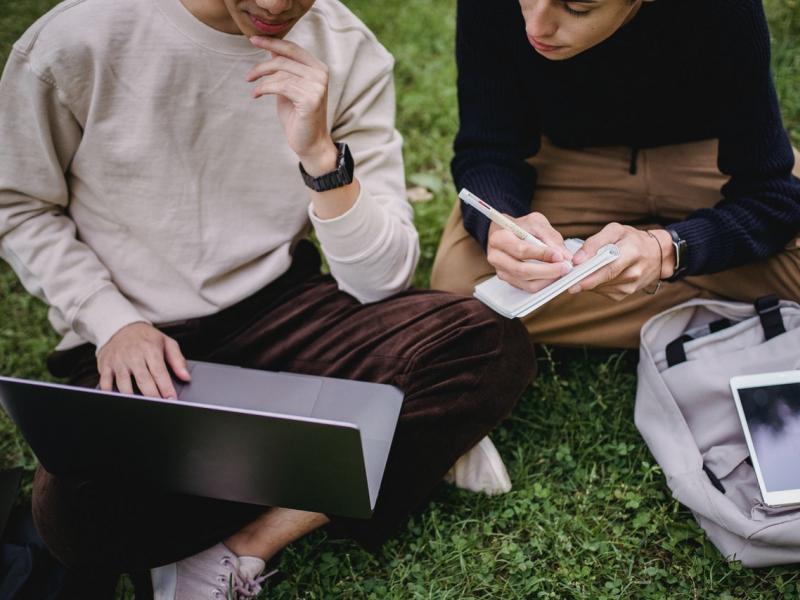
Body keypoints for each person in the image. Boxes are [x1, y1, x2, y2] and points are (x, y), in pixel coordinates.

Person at [0, 0, 535, 597]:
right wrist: (111, 321)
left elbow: (381, 280)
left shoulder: (345, 47)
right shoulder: (77, 42)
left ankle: (247, 545)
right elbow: (18, 205)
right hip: (138, 339)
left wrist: (321, 158)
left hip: (287, 308)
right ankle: (396, 445)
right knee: (75, 516)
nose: (277, 5)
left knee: (490, 343)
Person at [432, 0, 800, 348]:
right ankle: (744, 310)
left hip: (706, 157)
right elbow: (488, 149)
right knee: (459, 292)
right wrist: (502, 222)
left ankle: (661, 290)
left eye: (577, 7)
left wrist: (669, 251)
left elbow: (769, 193)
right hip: (567, 161)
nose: (536, 24)